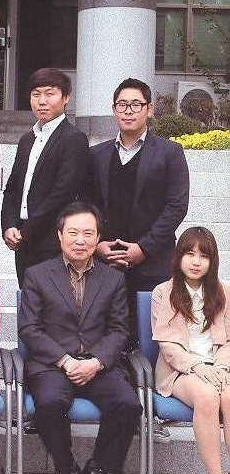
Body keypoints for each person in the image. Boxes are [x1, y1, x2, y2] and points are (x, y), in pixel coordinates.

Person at [18, 202, 142, 474]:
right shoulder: (37, 275)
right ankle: (67, 471)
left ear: (98, 238)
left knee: (128, 404)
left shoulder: (113, 278)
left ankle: (98, 471)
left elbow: (119, 330)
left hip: (99, 365)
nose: (80, 240)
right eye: (73, 232)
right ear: (60, 235)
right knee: (49, 403)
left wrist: (96, 362)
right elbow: (30, 329)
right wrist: (66, 361)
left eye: (88, 234)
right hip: (53, 364)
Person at [87, 78, 190, 334]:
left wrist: (143, 248)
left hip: (153, 262)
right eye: (122, 105)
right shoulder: (96, 155)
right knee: (107, 336)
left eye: (136, 104)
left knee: (150, 337)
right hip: (106, 261)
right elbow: (86, 205)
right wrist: (97, 244)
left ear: (149, 109)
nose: (128, 111)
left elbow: (176, 206)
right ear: (114, 110)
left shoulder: (170, 152)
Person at [151, 227, 230, 474]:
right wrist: (197, 366)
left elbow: (229, 341)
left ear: (213, 261)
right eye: (189, 253)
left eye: (204, 256)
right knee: (207, 396)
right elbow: (167, 345)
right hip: (180, 370)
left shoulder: (223, 292)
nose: (196, 262)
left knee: (229, 395)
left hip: (218, 366)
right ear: (179, 256)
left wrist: (220, 366)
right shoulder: (164, 292)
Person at [1, 68, 89, 286]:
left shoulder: (74, 139)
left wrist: (27, 231)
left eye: (50, 94)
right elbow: (12, 187)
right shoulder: (27, 139)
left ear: (66, 97)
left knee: (54, 302)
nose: (42, 101)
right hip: (22, 240)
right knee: (26, 299)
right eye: (36, 94)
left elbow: (62, 192)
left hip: (52, 241)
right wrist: (8, 226)